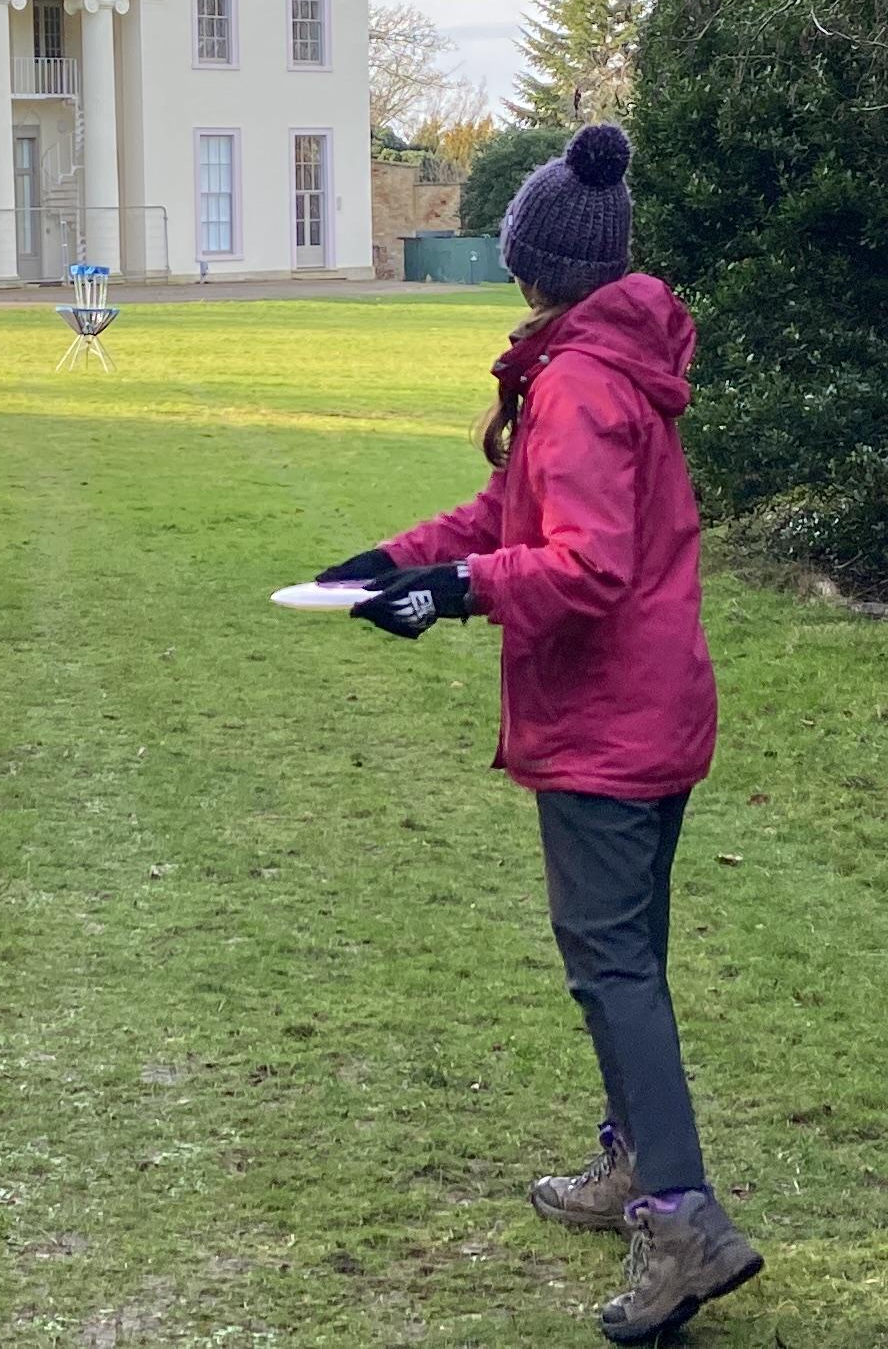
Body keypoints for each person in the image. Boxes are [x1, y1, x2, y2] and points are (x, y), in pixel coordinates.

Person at [316, 123, 761, 1343]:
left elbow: (579, 567)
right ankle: (634, 1167)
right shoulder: (606, 365)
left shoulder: (573, 382)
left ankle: (680, 1220)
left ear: (531, 266)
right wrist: (391, 564)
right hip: (656, 710)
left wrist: (457, 593)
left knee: (610, 968)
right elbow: (507, 508)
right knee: (624, 963)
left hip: (609, 722)